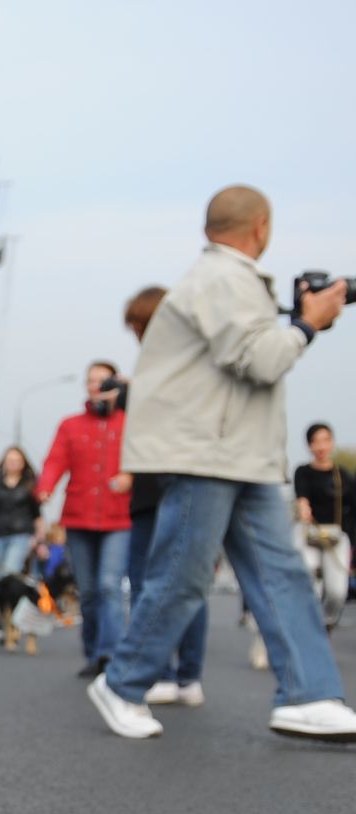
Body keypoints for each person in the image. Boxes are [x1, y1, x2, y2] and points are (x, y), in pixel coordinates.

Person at [91, 184, 356, 742]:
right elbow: (258, 359)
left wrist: (305, 322)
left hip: (240, 455)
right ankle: (122, 683)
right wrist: (308, 323)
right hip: (208, 452)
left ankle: (308, 694)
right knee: (182, 576)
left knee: (281, 574)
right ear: (261, 226)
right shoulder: (223, 277)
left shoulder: (223, 280)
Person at [118, 286, 207, 708]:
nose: (136, 333)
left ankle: (172, 675)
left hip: (172, 488)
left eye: (139, 325)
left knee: (166, 584)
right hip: (165, 490)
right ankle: (178, 675)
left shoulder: (172, 368)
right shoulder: (174, 365)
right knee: (173, 583)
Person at [37, 361, 131, 677]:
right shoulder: (71, 425)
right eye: (91, 380)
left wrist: (131, 475)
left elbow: (146, 454)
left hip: (119, 519)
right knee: (88, 591)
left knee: (109, 586)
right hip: (78, 518)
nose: (96, 386)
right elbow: (55, 461)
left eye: (103, 380)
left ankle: (110, 654)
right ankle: (93, 652)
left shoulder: (129, 423)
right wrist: (45, 488)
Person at [295, 422, 353, 630]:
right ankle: (307, 626)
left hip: (337, 536)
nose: (321, 446)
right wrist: (303, 508)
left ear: (332, 443)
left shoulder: (344, 476)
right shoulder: (303, 472)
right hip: (310, 533)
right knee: (309, 577)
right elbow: (301, 496)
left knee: (337, 591)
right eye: (315, 441)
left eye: (325, 440)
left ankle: (326, 624)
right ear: (309, 445)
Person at [0, 446, 41, 608]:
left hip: (20, 536)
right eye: (10, 460)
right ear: (3, 462)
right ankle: (4, 613)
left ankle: (12, 613)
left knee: (9, 574)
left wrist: (38, 538)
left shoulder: (29, 485)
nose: (13, 463)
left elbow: (37, 515)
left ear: (23, 463)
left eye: (17, 460)